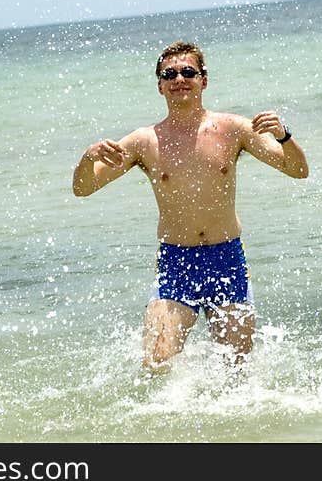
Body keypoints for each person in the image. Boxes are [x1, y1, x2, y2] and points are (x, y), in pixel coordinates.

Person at [72, 41, 309, 373]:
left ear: (203, 80)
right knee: (155, 365)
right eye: (170, 74)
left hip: (226, 258)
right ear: (159, 85)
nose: (179, 79)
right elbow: (84, 188)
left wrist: (284, 136)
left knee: (236, 374)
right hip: (176, 261)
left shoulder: (233, 129)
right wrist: (88, 158)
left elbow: (298, 170)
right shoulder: (144, 140)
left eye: (188, 72)